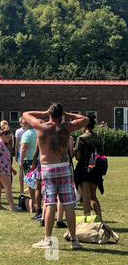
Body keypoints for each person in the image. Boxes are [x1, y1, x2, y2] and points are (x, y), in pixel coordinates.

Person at [23, 103, 88, 249]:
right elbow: (85, 120)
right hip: (64, 167)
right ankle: (74, 239)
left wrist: (44, 112)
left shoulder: (41, 126)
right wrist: (69, 114)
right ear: (61, 115)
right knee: (68, 205)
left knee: (50, 204)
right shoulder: (66, 127)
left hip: (48, 168)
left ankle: (48, 239)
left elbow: (26, 114)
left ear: (50, 114)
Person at [74, 114, 104, 220]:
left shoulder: (81, 138)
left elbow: (77, 157)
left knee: (86, 198)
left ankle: (87, 221)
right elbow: (101, 154)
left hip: (84, 169)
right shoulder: (98, 138)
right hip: (95, 168)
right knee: (93, 196)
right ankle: (100, 220)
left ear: (85, 125)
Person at [0, 129, 19, 211]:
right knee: (7, 187)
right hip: (2, 168)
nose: (8, 139)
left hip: (0, 168)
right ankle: (12, 206)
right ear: (2, 135)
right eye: (7, 137)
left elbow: (4, 157)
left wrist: (12, 169)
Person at [19, 122, 37, 198]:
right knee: (37, 180)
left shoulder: (27, 134)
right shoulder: (37, 132)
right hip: (38, 159)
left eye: (23, 123)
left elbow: (24, 148)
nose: (21, 125)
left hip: (29, 159)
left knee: (30, 180)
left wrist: (21, 160)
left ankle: (33, 199)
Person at [15, 117, 29, 194]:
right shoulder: (31, 131)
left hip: (21, 151)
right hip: (29, 152)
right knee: (28, 171)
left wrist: (16, 153)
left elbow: (17, 144)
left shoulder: (18, 131)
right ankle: (28, 187)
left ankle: (21, 189)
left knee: (21, 171)